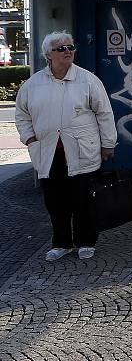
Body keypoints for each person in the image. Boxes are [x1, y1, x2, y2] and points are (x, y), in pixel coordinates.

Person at [15, 31, 117, 262]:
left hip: (82, 150)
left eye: (70, 47)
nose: (68, 51)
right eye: (61, 48)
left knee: (84, 199)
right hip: (48, 153)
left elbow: (104, 112)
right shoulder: (33, 84)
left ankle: (86, 241)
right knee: (55, 201)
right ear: (48, 55)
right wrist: (29, 138)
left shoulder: (87, 79)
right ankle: (61, 242)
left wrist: (108, 143)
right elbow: (22, 115)